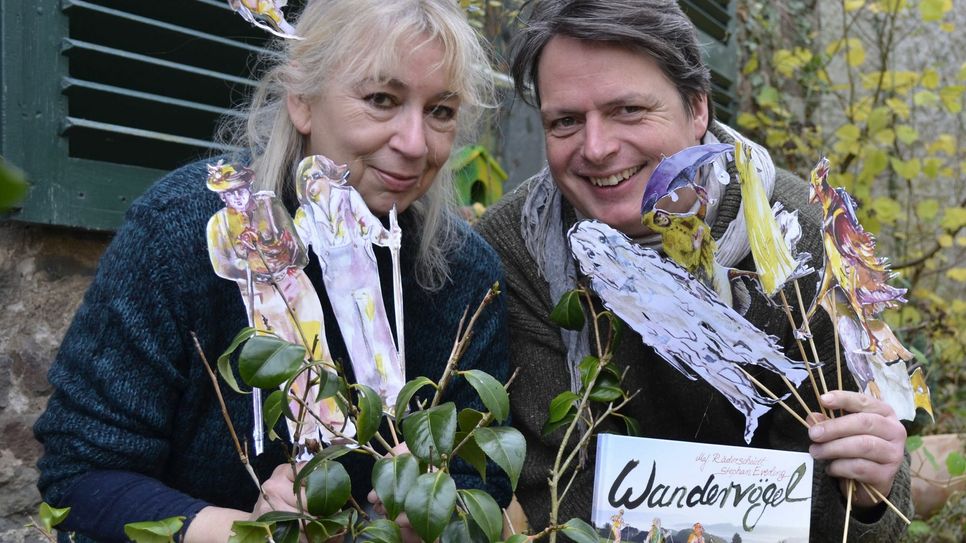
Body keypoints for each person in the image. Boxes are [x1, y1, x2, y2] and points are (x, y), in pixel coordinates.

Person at [34, 1, 509, 542]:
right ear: (302, 102)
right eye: (382, 100)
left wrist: (439, 509)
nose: (415, 144)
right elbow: (80, 475)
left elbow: (485, 482)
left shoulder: (464, 275)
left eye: (441, 112)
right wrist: (241, 532)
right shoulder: (181, 235)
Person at [475, 0, 911, 541]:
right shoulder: (513, 252)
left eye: (628, 110)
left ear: (697, 107)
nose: (597, 147)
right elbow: (552, 490)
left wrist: (872, 494)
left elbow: (855, 503)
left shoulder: (796, 234)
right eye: (565, 121)